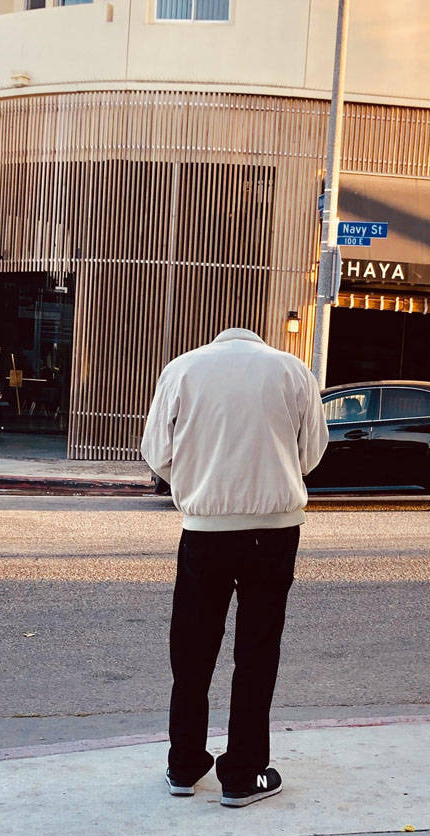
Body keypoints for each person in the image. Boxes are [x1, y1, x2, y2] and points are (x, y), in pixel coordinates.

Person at [141, 327, 327, 808]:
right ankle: (243, 774)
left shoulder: (182, 368)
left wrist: (197, 478)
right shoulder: (293, 371)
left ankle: (184, 765)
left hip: (205, 527)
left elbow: (156, 453)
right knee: (257, 651)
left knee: (192, 650)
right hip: (275, 528)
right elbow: (311, 453)